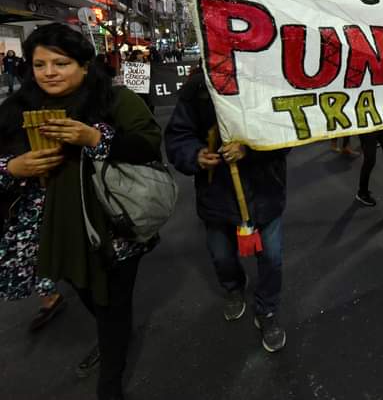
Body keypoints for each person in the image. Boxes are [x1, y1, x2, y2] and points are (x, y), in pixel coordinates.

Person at [0, 23, 162, 400]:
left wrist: (95, 138)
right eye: (40, 65)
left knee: (112, 303)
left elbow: (148, 145)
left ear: (84, 66)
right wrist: (12, 168)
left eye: (61, 63)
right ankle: (112, 337)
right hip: (51, 232)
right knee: (90, 295)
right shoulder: (16, 110)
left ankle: (110, 382)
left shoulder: (116, 100)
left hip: (113, 226)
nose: (49, 73)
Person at [165, 70, 289, 353]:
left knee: (272, 258)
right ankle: (233, 287)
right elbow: (178, 135)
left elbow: (287, 132)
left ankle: (267, 309)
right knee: (221, 255)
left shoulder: (270, 77)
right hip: (217, 194)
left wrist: (251, 149)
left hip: (265, 193)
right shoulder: (198, 86)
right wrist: (195, 154)